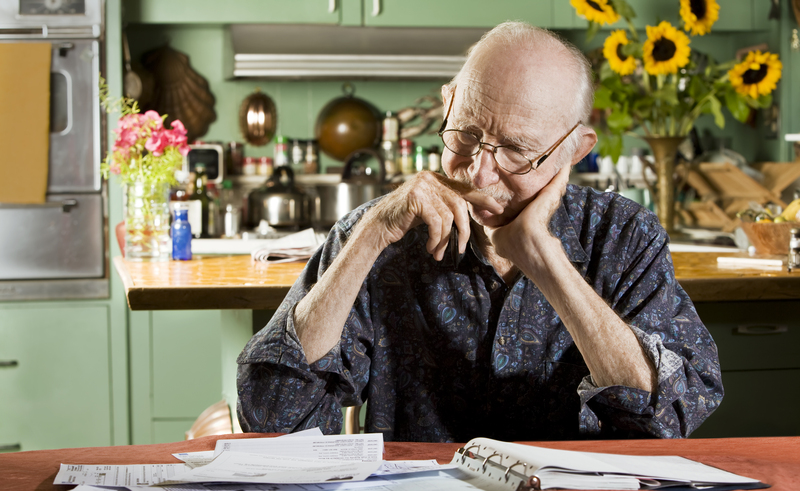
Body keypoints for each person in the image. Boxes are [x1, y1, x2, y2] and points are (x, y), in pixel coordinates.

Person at [236, 21, 723, 443]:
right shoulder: (383, 234)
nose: (479, 173)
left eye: (516, 149)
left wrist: (547, 264)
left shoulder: (623, 236)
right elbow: (273, 416)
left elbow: (669, 419)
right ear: (449, 104)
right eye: (466, 135)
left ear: (575, 149)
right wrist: (368, 238)